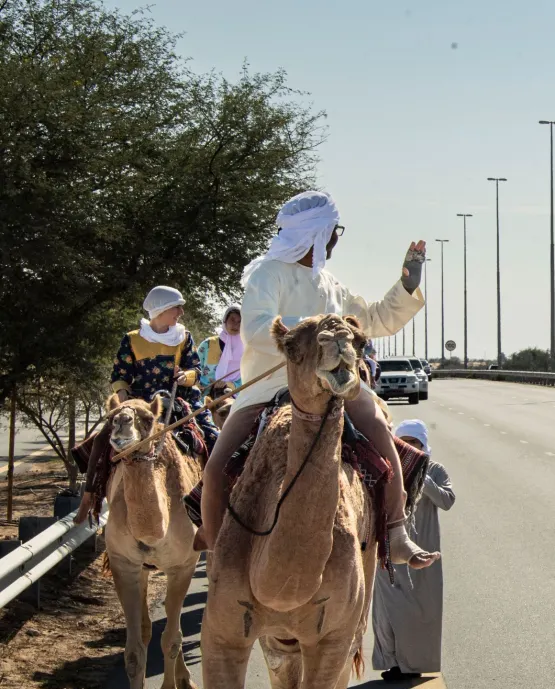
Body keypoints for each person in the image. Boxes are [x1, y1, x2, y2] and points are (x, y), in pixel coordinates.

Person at [194, 190, 436, 570]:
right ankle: (219, 551)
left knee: (382, 436)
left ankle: (396, 530)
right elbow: (256, 329)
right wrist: (315, 334)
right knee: (215, 467)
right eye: (334, 231)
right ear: (318, 233)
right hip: (270, 386)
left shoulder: (330, 284)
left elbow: (372, 319)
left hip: (335, 387)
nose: (337, 239)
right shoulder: (266, 274)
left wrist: (406, 285)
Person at [74, 286, 220, 522]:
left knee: (213, 438)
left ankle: (213, 503)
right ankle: (90, 496)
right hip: (141, 403)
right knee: (102, 439)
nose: (181, 312)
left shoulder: (184, 336)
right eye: (177, 307)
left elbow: (196, 368)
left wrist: (185, 376)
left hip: (178, 399)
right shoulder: (132, 339)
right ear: (161, 310)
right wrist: (122, 393)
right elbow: (120, 374)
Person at [372, 419, 455, 681]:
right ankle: (392, 661)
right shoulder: (386, 467)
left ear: (423, 444)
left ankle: (413, 663)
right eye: (403, 443)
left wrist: (422, 475)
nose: (409, 448)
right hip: (389, 544)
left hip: (424, 547)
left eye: (414, 443)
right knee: (387, 607)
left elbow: (447, 500)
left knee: (419, 609)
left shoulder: (436, 469)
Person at [195, 305, 243, 390]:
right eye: (232, 320)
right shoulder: (208, 344)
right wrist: (199, 387)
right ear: (225, 320)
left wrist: (229, 384)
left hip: (232, 395)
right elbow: (195, 368)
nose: (236, 325)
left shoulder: (245, 349)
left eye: (239, 322)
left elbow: (245, 377)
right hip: (204, 394)